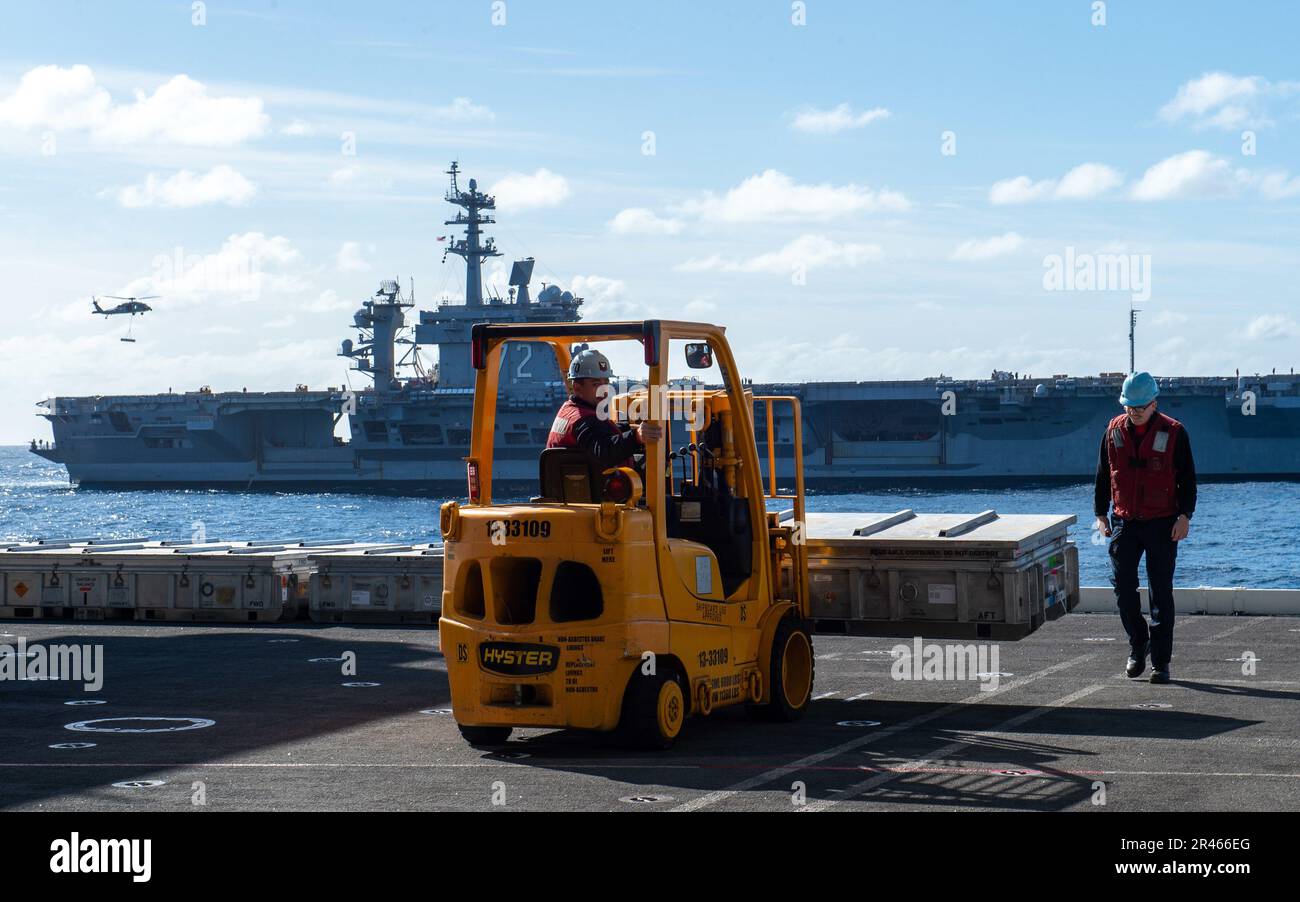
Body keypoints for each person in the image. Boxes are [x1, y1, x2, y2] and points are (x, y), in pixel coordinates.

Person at [1093, 371, 1196, 685]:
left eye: (1140, 406)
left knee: (1160, 593)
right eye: (1129, 406)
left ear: (1154, 403)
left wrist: (1185, 516)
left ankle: (1161, 663)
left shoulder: (1174, 432)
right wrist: (1100, 515)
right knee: (1123, 589)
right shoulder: (1113, 431)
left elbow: (1188, 479)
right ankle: (1138, 642)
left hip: (1163, 522)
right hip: (1124, 521)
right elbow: (1102, 475)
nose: (1134, 411)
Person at [546, 348, 662, 470]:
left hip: (576, 484)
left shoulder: (569, 411)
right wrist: (636, 437)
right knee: (657, 466)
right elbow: (603, 451)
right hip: (597, 486)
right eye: (595, 384)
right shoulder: (585, 421)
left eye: (606, 383)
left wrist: (625, 427)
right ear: (577, 388)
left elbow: (597, 434)